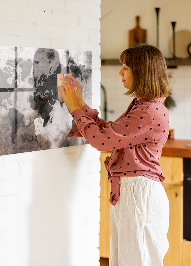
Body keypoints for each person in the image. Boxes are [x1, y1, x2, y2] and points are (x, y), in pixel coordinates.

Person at [59, 44, 171, 266]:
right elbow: (110, 133)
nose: (120, 72)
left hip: (139, 195)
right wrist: (80, 104)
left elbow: (102, 141)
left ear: (142, 72)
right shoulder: (144, 106)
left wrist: (74, 109)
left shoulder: (148, 111)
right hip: (134, 193)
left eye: (126, 67)